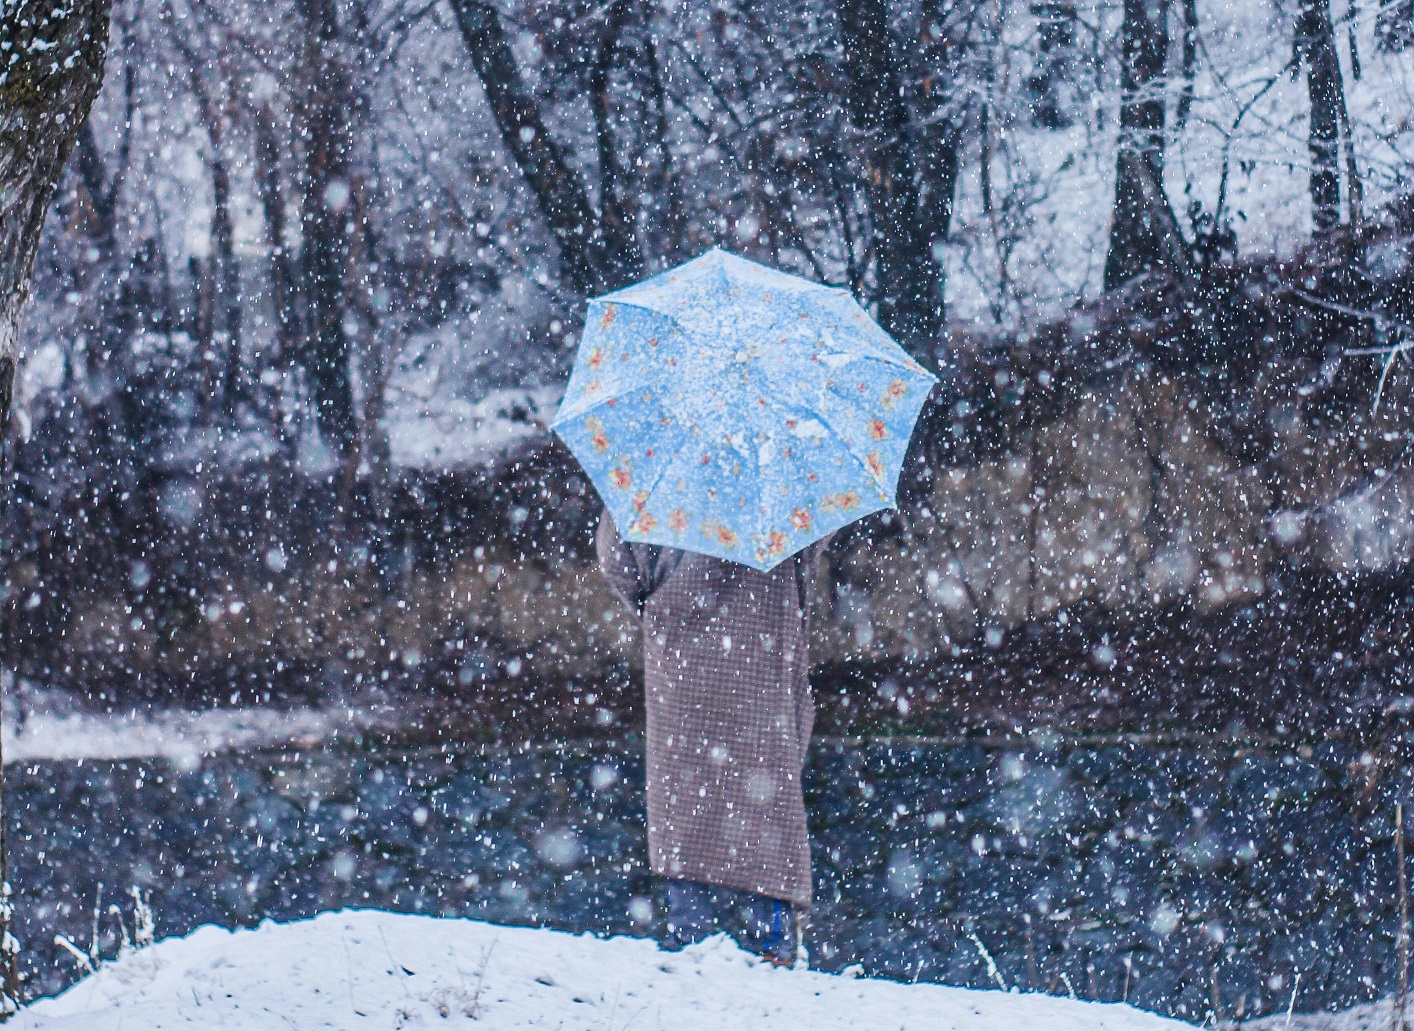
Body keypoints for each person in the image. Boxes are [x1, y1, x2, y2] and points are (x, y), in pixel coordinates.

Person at [596, 510, 829, 967]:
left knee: (686, 805)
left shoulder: (657, 468)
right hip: (762, 656)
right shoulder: (783, 475)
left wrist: (659, 605)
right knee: (769, 813)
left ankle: (691, 940)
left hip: (682, 663)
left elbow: (616, 560)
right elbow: (813, 545)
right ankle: (773, 942)